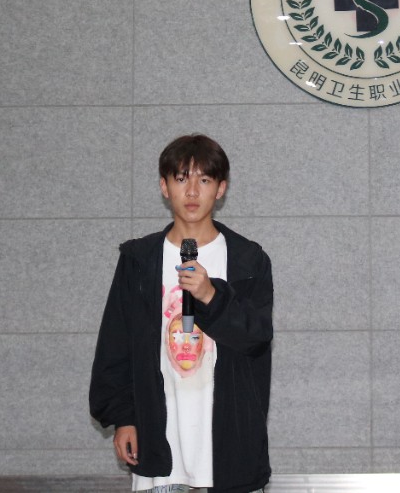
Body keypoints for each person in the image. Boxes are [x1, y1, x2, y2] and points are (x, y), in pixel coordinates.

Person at [90, 134, 273, 493]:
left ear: (221, 189)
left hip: (228, 446)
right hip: (160, 442)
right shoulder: (139, 260)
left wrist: (211, 296)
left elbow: (256, 337)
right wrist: (124, 418)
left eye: (204, 180)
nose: (191, 191)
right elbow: (116, 343)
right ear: (164, 187)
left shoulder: (248, 259)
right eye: (180, 178)